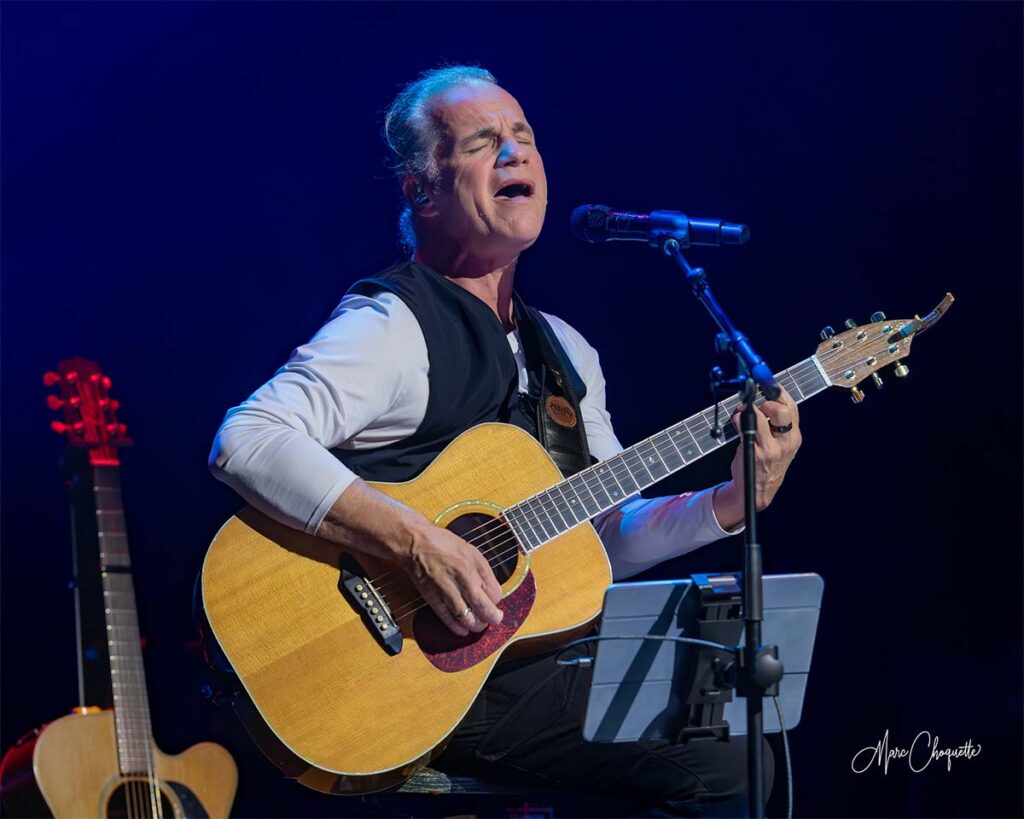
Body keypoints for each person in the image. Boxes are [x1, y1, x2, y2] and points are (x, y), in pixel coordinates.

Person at [209, 65, 802, 816]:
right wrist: (420, 543)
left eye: (524, 136)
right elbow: (247, 437)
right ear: (420, 189)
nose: (514, 153)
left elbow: (596, 543)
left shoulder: (568, 353)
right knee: (724, 748)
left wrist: (731, 498)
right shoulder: (393, 326)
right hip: (403, 677)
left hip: (512, 663)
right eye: (484, 142)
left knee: (734, 713)